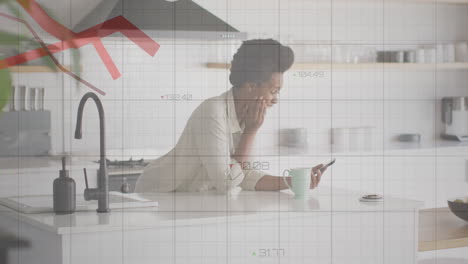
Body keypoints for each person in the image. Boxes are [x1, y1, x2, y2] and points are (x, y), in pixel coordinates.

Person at [135, 39, 327, 194]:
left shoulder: (247, 115)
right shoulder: (212, 112)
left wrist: (293, 182)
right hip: (157, 194)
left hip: (187, 197)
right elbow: (227, 181)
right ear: (251, 86)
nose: (275, 100)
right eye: (274, 91)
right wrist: (250, 132)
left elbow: (244, 175)